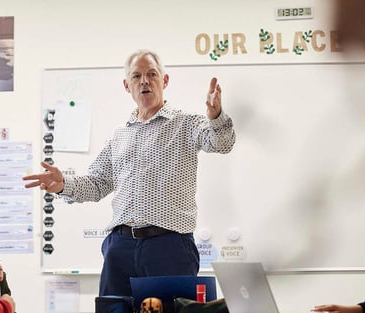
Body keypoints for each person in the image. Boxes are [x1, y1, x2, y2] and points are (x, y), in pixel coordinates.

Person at [22, 49, 236, 297]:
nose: (144, 81)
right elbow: (98, 183)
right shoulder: (120, 135)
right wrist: (62, 184)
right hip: (120, 248)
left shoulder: (186, 123)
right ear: (127, 85)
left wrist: (216, 116)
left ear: (164, 81)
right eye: (136, 76)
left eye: (151, 74)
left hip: (169, 246)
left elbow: (221, 143)